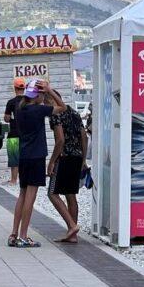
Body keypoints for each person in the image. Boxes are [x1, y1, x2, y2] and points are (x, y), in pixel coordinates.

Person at [9, 79, 65, 248]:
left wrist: (44, 91)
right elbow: (62, 107)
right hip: (36, 156)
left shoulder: (20, 109)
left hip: (24, 155)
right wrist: (50, 90)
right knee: (30, 197)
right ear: (37, 95)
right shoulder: (38, 110)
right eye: (42, 94)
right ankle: (23, 236)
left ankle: (14, 234)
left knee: (22, 194)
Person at [48, 103, 87, 242]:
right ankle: (72, 236)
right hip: (77, 157)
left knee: (52, 193)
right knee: (71, 195)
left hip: (64, 157)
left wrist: (52, 161)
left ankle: (72, 226)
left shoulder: (55, 114)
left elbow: (60, 140)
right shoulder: (74, 113)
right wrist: (83, 159)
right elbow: (84, 136)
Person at [3, 78, 25, 185]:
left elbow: (7, 119)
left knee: (14, 157)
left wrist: (10, 118)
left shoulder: (11, 102)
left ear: (15, 88)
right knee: (24, 157)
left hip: (13, 133)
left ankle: (14, 180)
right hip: (26, 134)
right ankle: (24, 178)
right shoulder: (28, 101)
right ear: (24, 88)